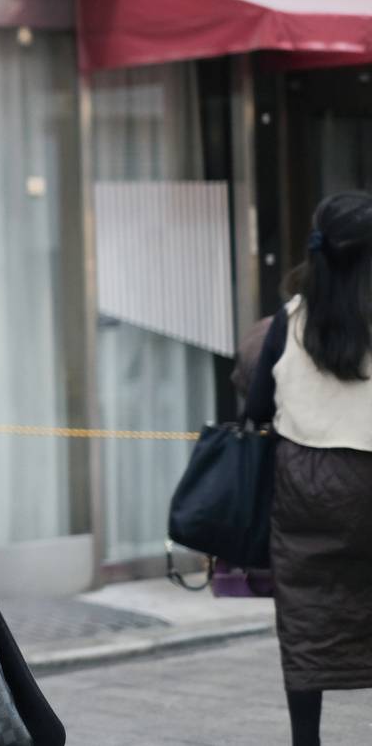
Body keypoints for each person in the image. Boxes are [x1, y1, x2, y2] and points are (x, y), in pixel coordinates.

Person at [244, 191, 372, 746]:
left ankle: (307, 741)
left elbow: (254, 408)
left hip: (302, 481)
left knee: (306, 612)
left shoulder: (289, 320)